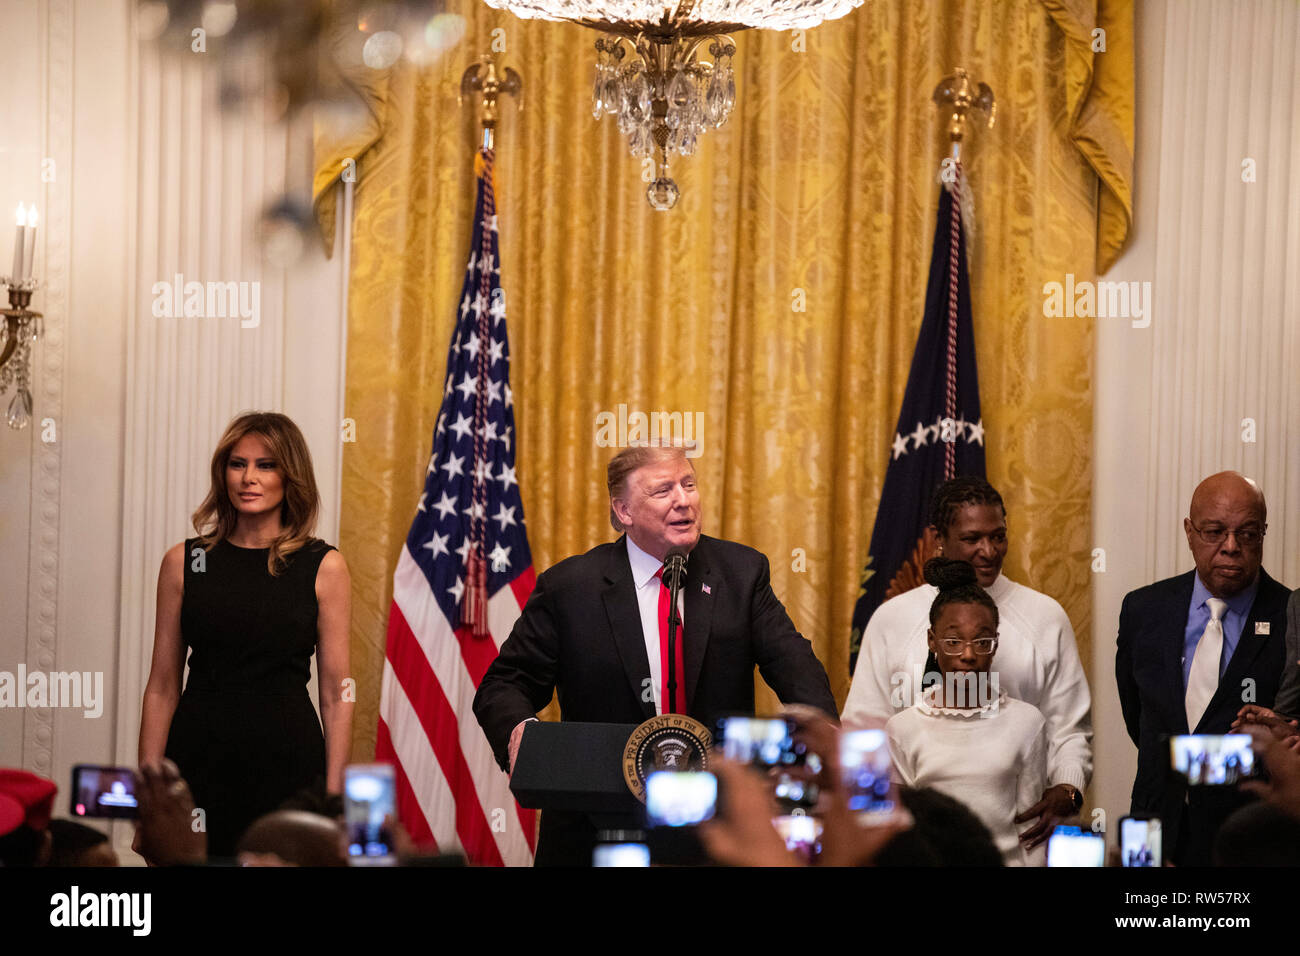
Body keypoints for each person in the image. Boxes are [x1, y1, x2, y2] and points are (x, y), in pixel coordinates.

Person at [473, 442, 838, 866]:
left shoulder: (741, 573)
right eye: (663, 491)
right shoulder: (570, 588)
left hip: (716, 826)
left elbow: (794, 665)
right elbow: (505, 683)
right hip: (596, 826)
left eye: (689, 485)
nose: (684, 500)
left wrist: (824, 735)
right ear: (624, 510)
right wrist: (519, 731)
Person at [138, 412, 353, 859]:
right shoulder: (185, 561)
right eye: (238, 464)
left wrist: (333, 800)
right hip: (197, 762)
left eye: (266, 465)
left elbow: (337, 693)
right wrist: (147, 799)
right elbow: (161, 686)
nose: (248, 477)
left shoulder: (323, 565)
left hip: (289, 765)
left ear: (290, 475)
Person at [842, 476, 1091, 847]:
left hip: (1017, 838)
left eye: (998, 536)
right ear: (939, 538)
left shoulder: (1044, 616)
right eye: (972, 538)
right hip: (916, 843)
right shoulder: (892, 618)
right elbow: (862, 729)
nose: (989, 551)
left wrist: (1069, 788)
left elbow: (1069, 727)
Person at [1115, 471, 1290, 865]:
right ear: (1189, 531)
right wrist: (1173, 762)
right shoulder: (1143, 609)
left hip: (1250, 836)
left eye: (1247, 534)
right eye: (1214, 532)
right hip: (1151, 825)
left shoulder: (1290, 616)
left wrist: (1183, 760)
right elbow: (1140, 719)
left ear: (1263, 534)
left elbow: (1290, 742)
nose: (1231, 547)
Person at [885, 557, 1049, 866]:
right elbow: (899, 832)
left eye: (982, 641)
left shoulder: (1027, 722)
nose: (969, 654)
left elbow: (1031, 830)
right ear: (933, 641)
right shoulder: (902, 729)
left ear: (996, 644)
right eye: (953, 641)